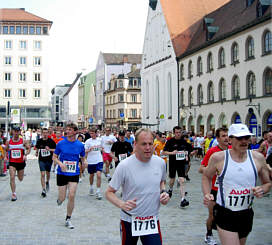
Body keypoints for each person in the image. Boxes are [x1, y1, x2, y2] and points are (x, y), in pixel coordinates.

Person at [202, 124, 271, 245]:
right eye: (240, 138)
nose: (244, 141)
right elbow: (206, 176)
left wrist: (262, 189)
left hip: (246, 213)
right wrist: (207, 194)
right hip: (225, 212)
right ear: (230, 139)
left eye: (246, 137)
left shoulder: (258, 158)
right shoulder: (219, 158)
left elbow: (267, 183)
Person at [105, 128, 170, 245]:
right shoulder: (124, 166)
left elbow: (161, 181)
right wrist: (122, 204)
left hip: (151, 219)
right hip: (129, 219)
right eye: (144, 144)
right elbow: (109, 192)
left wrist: (163, 193)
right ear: (135, 144)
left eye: (150, 144)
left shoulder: (160, 163)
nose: (148, 148)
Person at [199, 127, 229, 245]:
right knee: (212, 215)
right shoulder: (212, 151)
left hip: (228, 189)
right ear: (218, 138)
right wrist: (214, 170)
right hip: (214, 189)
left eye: (228, 135)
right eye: (223, 136)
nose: (226, 138)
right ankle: (209, 234)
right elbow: (201, 169)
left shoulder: (232, 150)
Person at [53, 123, 86, 229]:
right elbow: (54, 157)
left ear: (75, 132)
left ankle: (68, 218)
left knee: (72, 195)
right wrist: (60, 163)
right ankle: (60, 200)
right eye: (67, 129)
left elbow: (82, 158)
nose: (68, 131)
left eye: (70, 129)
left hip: (74, 173)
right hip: (62, 173)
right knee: (62, 198)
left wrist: (85, 163)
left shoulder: (80, 145)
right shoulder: (61, 144)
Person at [162, 126, 193, 207]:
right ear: (174, 133)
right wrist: (172, 153)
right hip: (172, 163)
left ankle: (183, 199)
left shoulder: (184, 141)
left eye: (179, 132)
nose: (178, 134)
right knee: (172, 180)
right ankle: (170, 189)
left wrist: (187, 153)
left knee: (182, 180)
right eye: (176, 132)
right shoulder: (170, 141)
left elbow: (191, 150)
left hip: (181, 164)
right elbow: (164, 152)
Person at [5, 127, 30, 201]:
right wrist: (6, 157)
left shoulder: (23, 141)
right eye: (15, 131)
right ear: (12, 132)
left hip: (21, 163)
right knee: (12, 177)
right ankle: (13, 194)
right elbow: (6, 150)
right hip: (12, 162)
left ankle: (19, 174)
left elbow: (28, 148)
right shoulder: (8, 142)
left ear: (19, 132)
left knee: (20, 179)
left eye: (17, 131)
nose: (16, 133)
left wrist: (25, 155)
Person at [35, 128, 56, 197]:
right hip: (41, 159)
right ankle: (43, 190)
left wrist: (49, 149)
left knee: (48, 173)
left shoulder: (51, 141)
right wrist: (36, 152)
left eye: (46, 132)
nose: (45, 134)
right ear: (41, 133)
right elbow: (37, 147)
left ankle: (47, 181)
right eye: (43, 133)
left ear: (48, 133)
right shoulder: (39, 141)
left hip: (49, 160)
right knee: (43, 174)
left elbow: (55, 150)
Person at [84, 127, 104, 200]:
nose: (91, 134)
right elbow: (84, 151)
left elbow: (103, 148)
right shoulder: (88, 141)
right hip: (91, 161)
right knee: (91, 175)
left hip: (99, 160)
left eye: (92, 133)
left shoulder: (100, 140)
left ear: (96, 133)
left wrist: (102, 149)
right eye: (90, 133)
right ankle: (91, 187)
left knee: (99, 175)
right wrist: (89, 149)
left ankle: (98, 191)